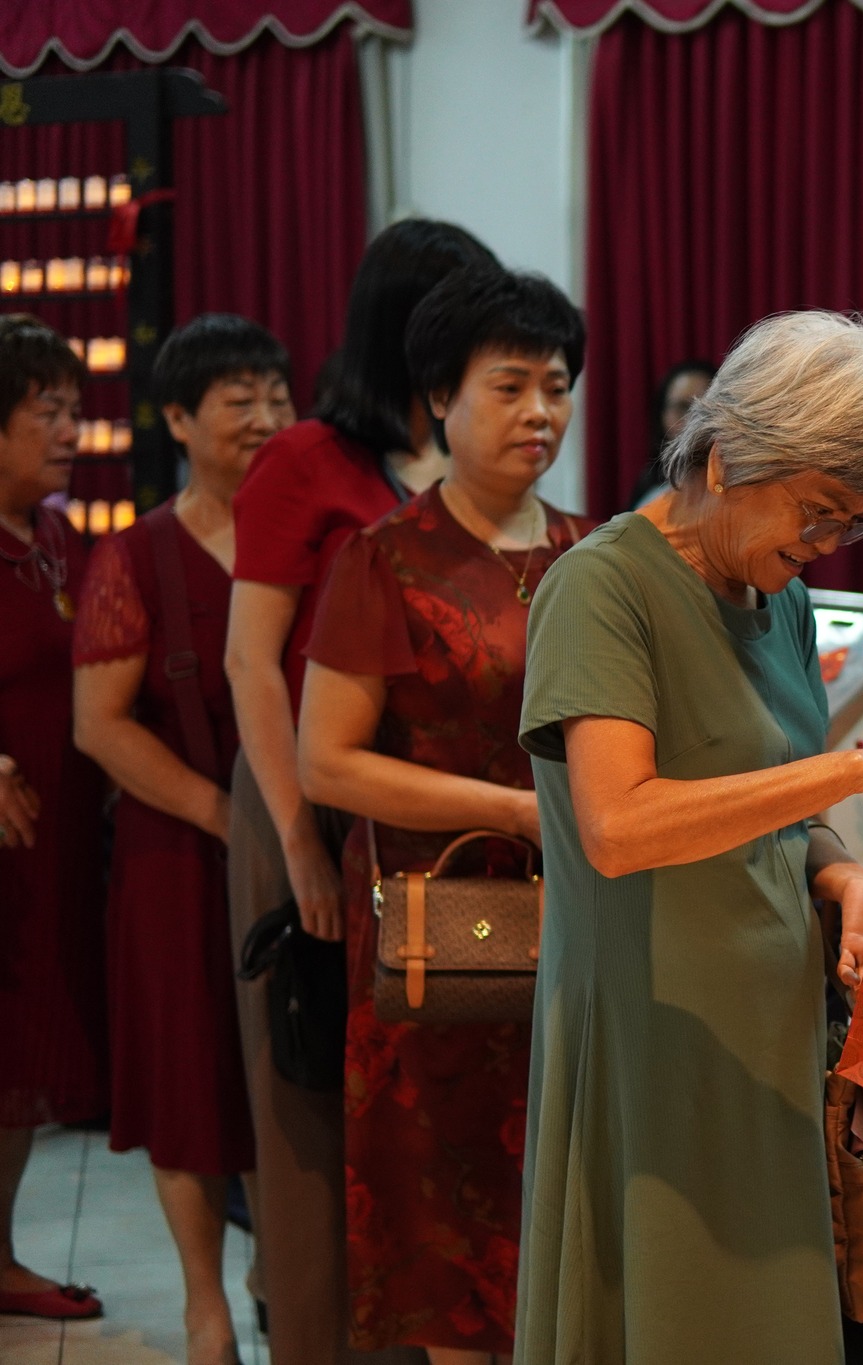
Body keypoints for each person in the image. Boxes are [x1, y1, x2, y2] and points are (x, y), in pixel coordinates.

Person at [514, 311, 863, 1364]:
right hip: (655, 1038)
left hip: (770, 1037)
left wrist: (843, 879)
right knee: (670, 1317)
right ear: (728, 454)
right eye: (819, 511)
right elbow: (617, 825)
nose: (826, 543)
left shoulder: (773, 594)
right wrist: (857, 769)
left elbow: (783, 805)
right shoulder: (600, 589)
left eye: (851, 524)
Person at [298, 266, 593, 1363]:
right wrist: (514, 812)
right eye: (508, 385)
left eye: (555, 386)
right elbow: (325, 764)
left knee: (565, 1197)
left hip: (583, 922)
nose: (539, 413)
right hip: (438, 934)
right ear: (437, 397)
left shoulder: (595, 556)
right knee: (446, 1213)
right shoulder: (385, 559)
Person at [222, 217, 497, 1365]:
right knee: (308, 1107)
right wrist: (296, 843)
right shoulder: (305, 461)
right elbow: (252, 659)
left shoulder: (462, 462)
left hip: (419, 815)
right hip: (305, 794)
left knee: (428, 1110)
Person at [71, 315, 293, 1363]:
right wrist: (222, 820)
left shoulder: (311, 537)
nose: (264, 418)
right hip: (175, 863)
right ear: (176, 419)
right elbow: (99, 724)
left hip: (296, 857)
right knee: (187, 1084)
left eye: (276, 398)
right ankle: (205, 1308)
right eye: (237, 401)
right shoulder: (135, 553)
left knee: (286, 1079)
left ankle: (283, 1277)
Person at [0, 314, 108, 1322]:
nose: (72, 429)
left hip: (55, 848)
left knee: (23, 1055)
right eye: (48, 411)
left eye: (75, 409)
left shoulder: (59, 536)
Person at [627, 358, 716, 509]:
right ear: (662, 416)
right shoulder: (650, 499)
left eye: (704, 409)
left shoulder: (743, 490)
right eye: (682, 408)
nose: (692, 420)